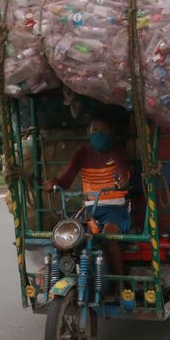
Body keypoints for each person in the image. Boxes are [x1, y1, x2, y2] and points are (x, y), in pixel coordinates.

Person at [44, 115, 131, 277]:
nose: (98, 133)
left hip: (116, 209)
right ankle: (64, 277)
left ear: (110, 132)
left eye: (102, 130)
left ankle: (119, 282)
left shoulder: (117, 150)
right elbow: (66, 180)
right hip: (90, 209)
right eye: (95, 130)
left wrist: (123, 179)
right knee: (65, 236)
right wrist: (54, 183)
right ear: (88, 132)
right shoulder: (81, 153)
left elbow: (122, 171)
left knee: (108, 236)